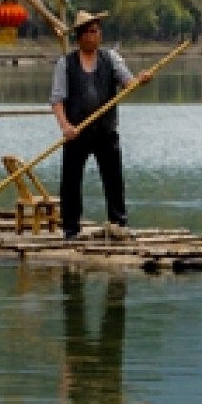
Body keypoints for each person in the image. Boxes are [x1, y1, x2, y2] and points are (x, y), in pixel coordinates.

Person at [51, 14, 134, 237]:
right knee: (70, 181)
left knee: (113, 179)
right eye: (86, 32)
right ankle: (70, 228)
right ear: (79, 37)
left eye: (94, 31)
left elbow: (128, 82)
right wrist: (65, 126)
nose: (90, 36)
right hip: (76, 132)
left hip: (105, 130)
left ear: (99, 34)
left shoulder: (111, 58)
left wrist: (139, 81)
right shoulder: (66, 64)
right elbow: (57, 100)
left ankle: (118, 224)